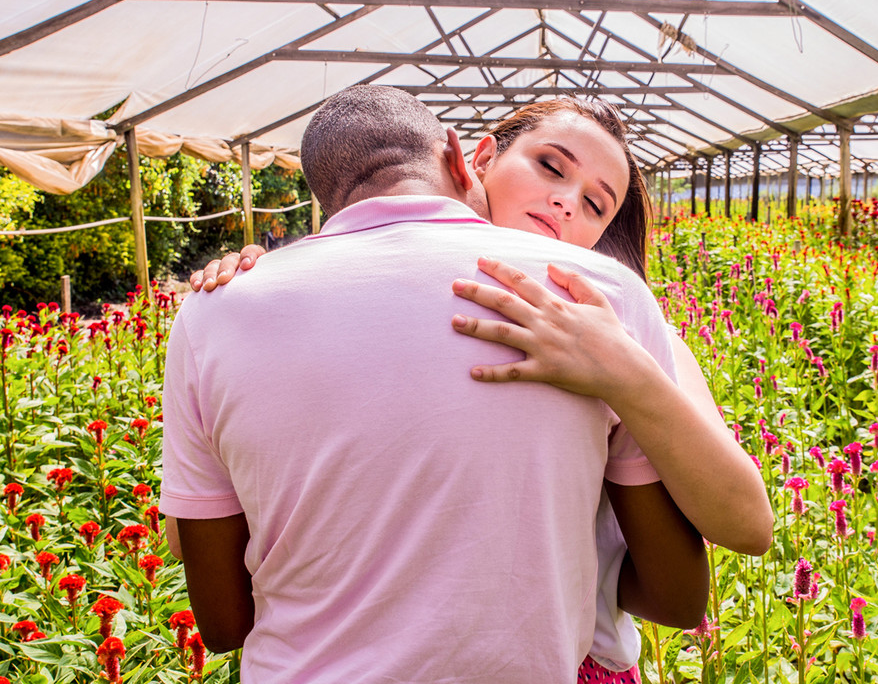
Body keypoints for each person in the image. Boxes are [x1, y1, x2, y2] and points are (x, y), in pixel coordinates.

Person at [184, 94, 773, 683]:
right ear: (476, 160)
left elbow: (736, 538)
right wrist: (252, 275)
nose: (566, 202)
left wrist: (622, 366)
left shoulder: (615, 319)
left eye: (596, 205)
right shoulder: (265, 298)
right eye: (551, 167)